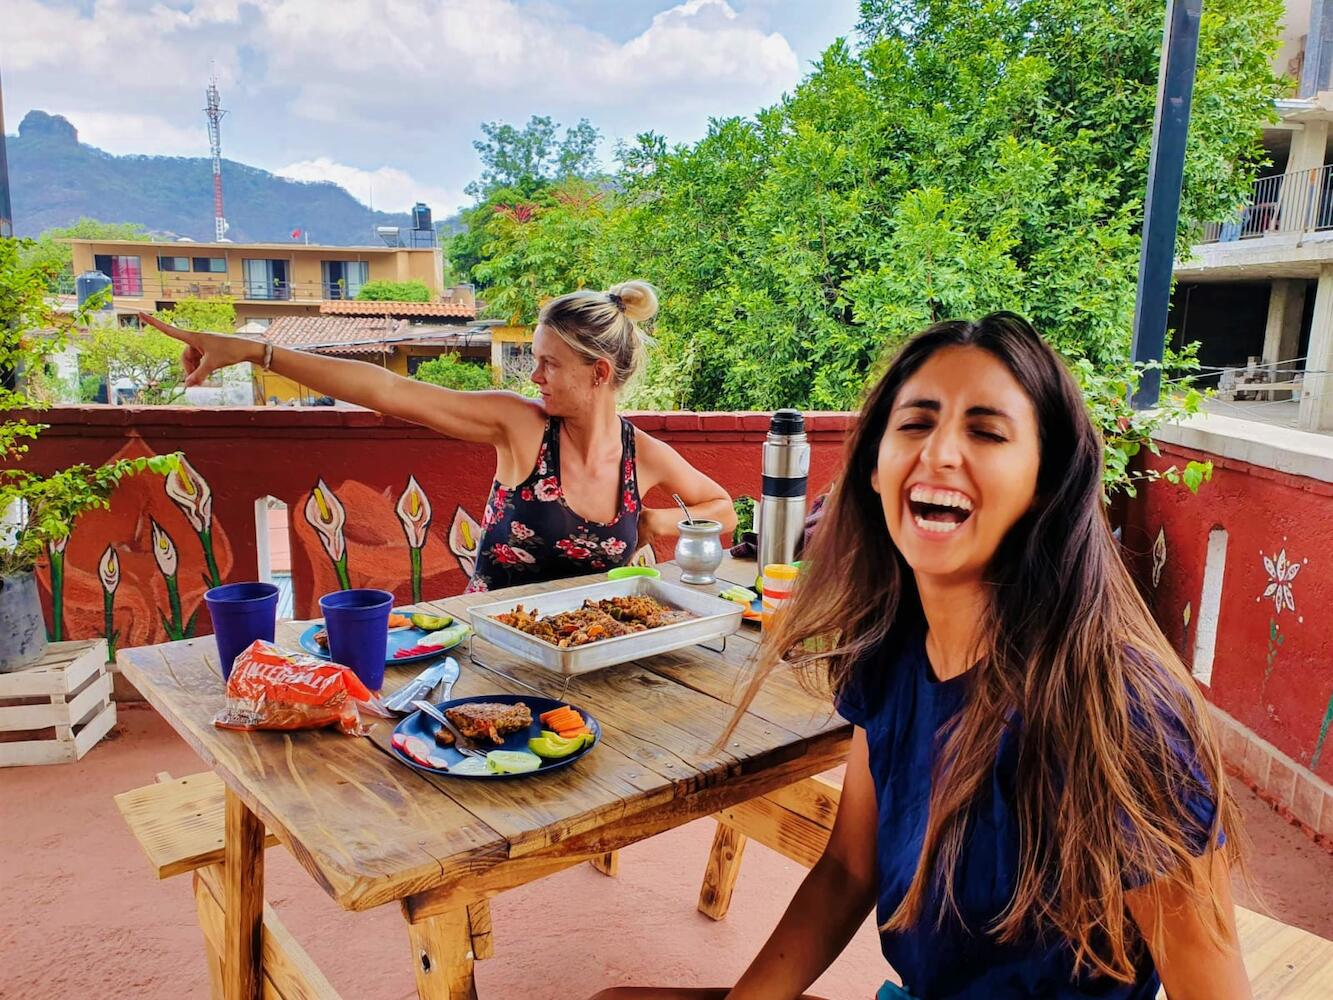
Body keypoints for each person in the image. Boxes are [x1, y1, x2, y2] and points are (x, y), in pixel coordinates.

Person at [592, 313, 1248, 1000]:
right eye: (914, 424)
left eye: (986, 431)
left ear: (1044, 483)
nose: (937, 454)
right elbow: (849, 868)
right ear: (875, 468)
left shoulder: (1122, 713)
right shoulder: (890, 651)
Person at [142, 280, 736, 592]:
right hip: (495, 655)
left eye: (550, 364)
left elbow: (722, 508)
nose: (535, 377)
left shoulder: (644, 458)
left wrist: (656, 524)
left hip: (594, 654)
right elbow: (388, 392)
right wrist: (255, 351)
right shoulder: (520, 427)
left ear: (598, 373)